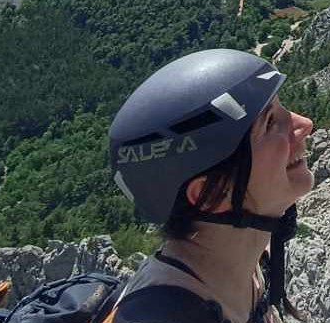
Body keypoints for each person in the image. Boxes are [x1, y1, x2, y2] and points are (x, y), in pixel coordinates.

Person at [108, 49, 314, 323]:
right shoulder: (164, 315)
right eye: (270, 123)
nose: (304, 125)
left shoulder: (241, 268)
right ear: (208, 195)